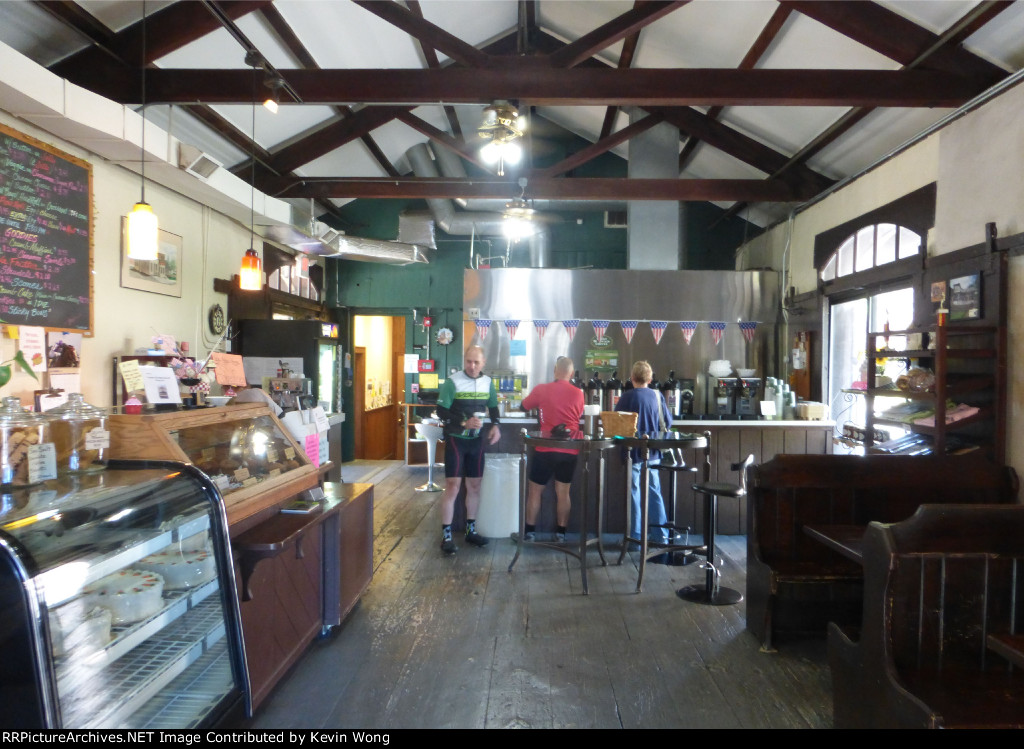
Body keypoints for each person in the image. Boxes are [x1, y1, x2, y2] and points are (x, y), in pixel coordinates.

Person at [435, 345, 501, 555]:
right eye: (468, 361)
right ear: (464, 361)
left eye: (476, 362)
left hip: (476, 441)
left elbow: (493, 407)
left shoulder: (488, 382)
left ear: (483, 363)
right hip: (456, 440)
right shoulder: (452, 381)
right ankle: (446, 536)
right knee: (452, 487)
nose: (472, 366)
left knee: (474, 486)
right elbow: (440, 410)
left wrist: (496, 425)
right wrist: (463, 422)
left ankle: (470, 531)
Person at [518, 356, 585, 543]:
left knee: (535, 492)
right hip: (569, 449)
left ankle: (529, 533)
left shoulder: (542, 389)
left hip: (545, 449)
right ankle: (561, 534)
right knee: (563, 493)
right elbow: (579, 414)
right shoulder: (579, 393)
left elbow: (523, 406)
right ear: (571, 374)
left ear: (555, 371)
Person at [615, 360, 673, 546]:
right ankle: (660, 536)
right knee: (654, 491)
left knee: (634, 492)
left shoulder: (627, 397)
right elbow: (668, 422)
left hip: (632, 451)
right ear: (650, 379)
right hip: (653, 450)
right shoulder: (657, 395)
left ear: (632, 378)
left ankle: (635, 538)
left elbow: (616, 422)